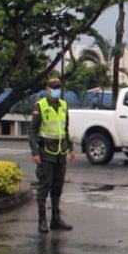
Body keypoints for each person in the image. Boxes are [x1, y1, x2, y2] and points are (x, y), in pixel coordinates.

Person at [29, 76, 75, 234]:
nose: (56, 91)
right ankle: (42, 220)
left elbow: (65, 129)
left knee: (58, 186)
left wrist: (71, 148)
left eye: (58, 88)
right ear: (47, 89)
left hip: (60, 152)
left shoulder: (64, 105)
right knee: (44, 186)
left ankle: (56, 219)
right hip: (46, 152)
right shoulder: (40, 106)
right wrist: (35, 152)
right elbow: (32, 130)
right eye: (53, 88)